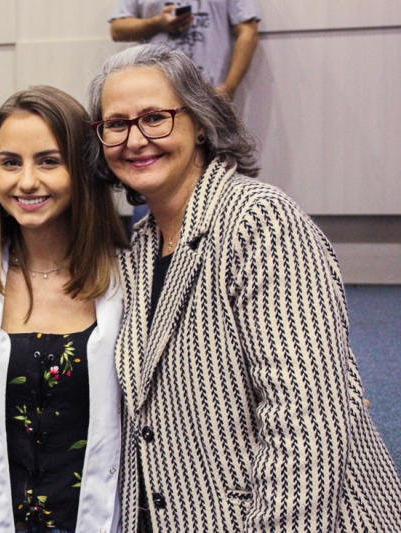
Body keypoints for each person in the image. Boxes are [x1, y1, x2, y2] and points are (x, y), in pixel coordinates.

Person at [87, 43, 401, 532]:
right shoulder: (141, 245)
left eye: (155, 118)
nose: (136, 139)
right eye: (116, 124)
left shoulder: (260, 221)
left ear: (199, 122)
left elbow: (306, 421)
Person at [0, 86, 129, 533]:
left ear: (81, 169)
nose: (26, 181)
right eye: (10, 163)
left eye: (48, 161)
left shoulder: (128, 281)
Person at [108, 0, 259, 100]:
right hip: (154, 92)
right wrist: (158, 23)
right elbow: (117, 29)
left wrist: (228, 88)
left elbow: (248, 31)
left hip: (210, 94)